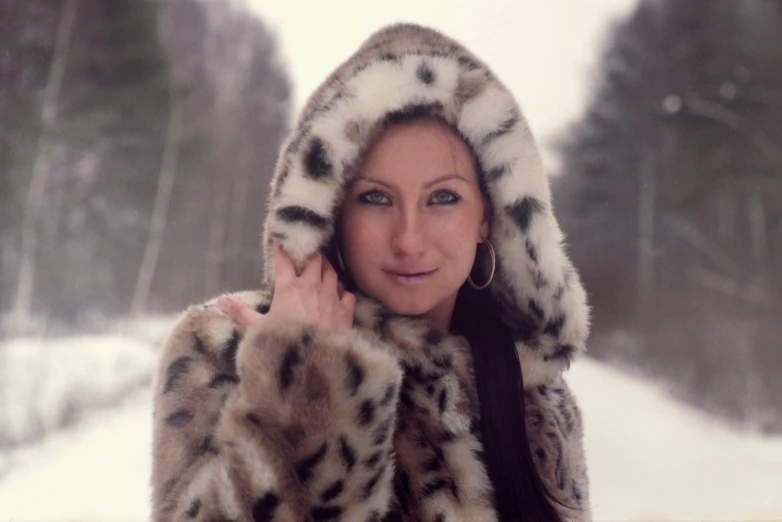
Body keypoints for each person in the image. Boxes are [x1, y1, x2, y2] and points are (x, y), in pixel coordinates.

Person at [151, 23, 591, 522]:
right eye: (375, 198)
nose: (408, 238)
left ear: (487, 219)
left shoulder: (532, 388)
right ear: (332, 211)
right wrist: (306, 388)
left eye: (443, 198)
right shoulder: (231, 349)